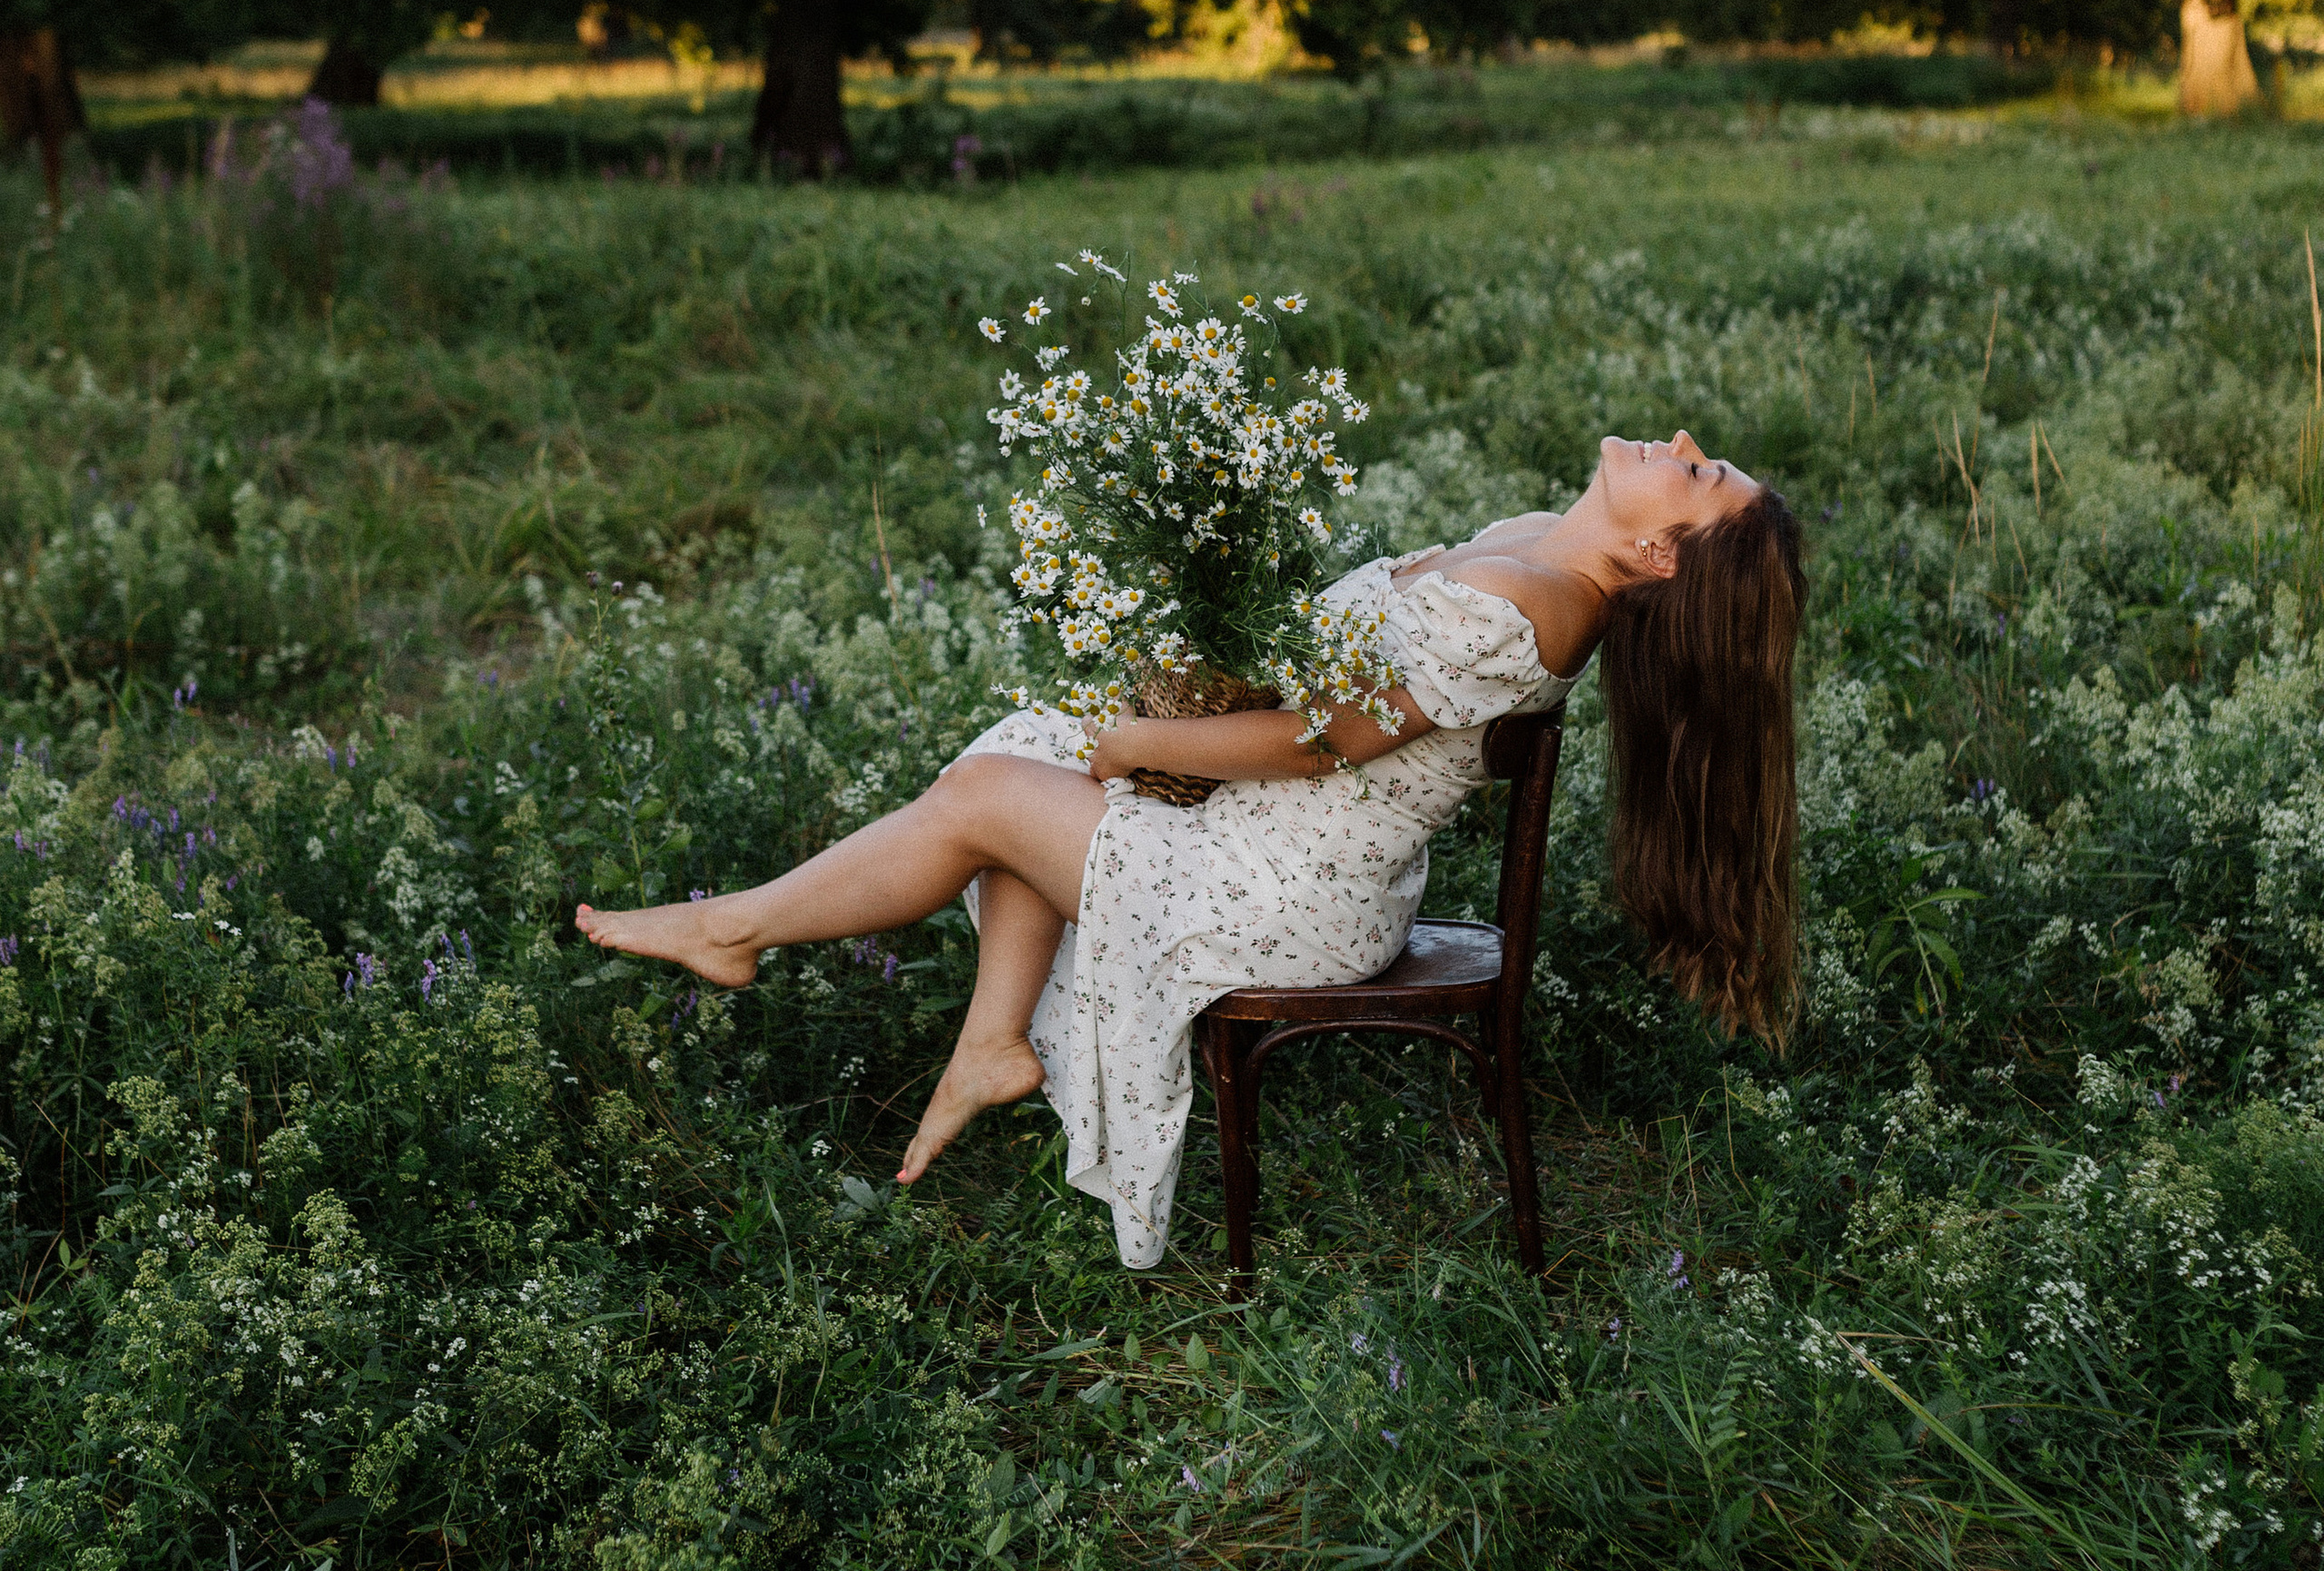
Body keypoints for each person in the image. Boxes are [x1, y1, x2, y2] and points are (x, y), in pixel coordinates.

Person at [576, 431, 1807, 1269]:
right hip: (1275, 835)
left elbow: (1326, 741)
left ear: (1657, 557)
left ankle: (730, 928)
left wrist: (1139, 745)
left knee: (998, 794)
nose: (1682, 446)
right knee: (1024, 750)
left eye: (1698, 478)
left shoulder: (1544, 605)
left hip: (1296, 891)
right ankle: (994, 1045)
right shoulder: (1541, 539)